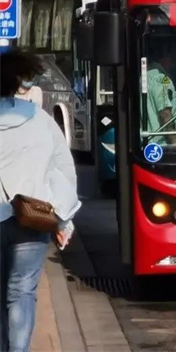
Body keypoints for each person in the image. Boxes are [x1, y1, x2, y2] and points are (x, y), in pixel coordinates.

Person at [0, 49, 80, 352]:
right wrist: (63, 220)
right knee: (21, 292)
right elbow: (62, 172)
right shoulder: (41, 121)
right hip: (31, 218)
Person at [146, 43, 176, 145]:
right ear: (166, 59)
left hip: (147, 144)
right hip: (162, 145)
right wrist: (175, 143)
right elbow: (165, 115)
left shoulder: (142, 79)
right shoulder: (162, 79)